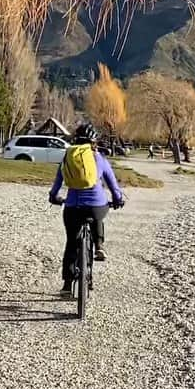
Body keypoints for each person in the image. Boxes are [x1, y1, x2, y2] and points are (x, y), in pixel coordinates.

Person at [49, 123, 123, 294]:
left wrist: (54, 197)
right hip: (96, 205)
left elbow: (58, 182)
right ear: (94, 142)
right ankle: (98, 245)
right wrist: (118, 200)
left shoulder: (68, 158)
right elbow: (113, 184)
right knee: (98, 214)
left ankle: (67, 286)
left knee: (71, 243)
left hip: (72, 207)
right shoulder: (100, 159)